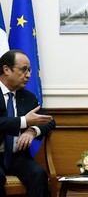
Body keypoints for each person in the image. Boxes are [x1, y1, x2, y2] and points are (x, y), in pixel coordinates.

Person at [0, 49, 56, 197]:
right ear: (6, 69)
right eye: (23, 70)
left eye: (29, 70)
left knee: (39, 174)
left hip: (16, 157)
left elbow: (49, 121)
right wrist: (25, 121)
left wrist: (32, 130)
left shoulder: (27, 96)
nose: (29, 75)